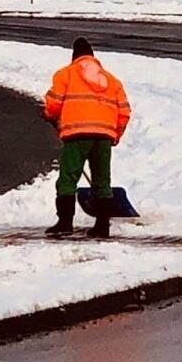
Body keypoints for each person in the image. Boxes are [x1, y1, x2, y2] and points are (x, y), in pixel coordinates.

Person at [43, 38, 131, 238]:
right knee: (102, 180)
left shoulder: (65, 74)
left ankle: (65, 223)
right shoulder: (112, 80)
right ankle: (102, 226)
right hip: (104, 136)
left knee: (68, 178)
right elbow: (124, 111)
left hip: (77, 134)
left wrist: (49, 115)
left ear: (74, 56)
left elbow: (54, 103)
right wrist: (115, 135)